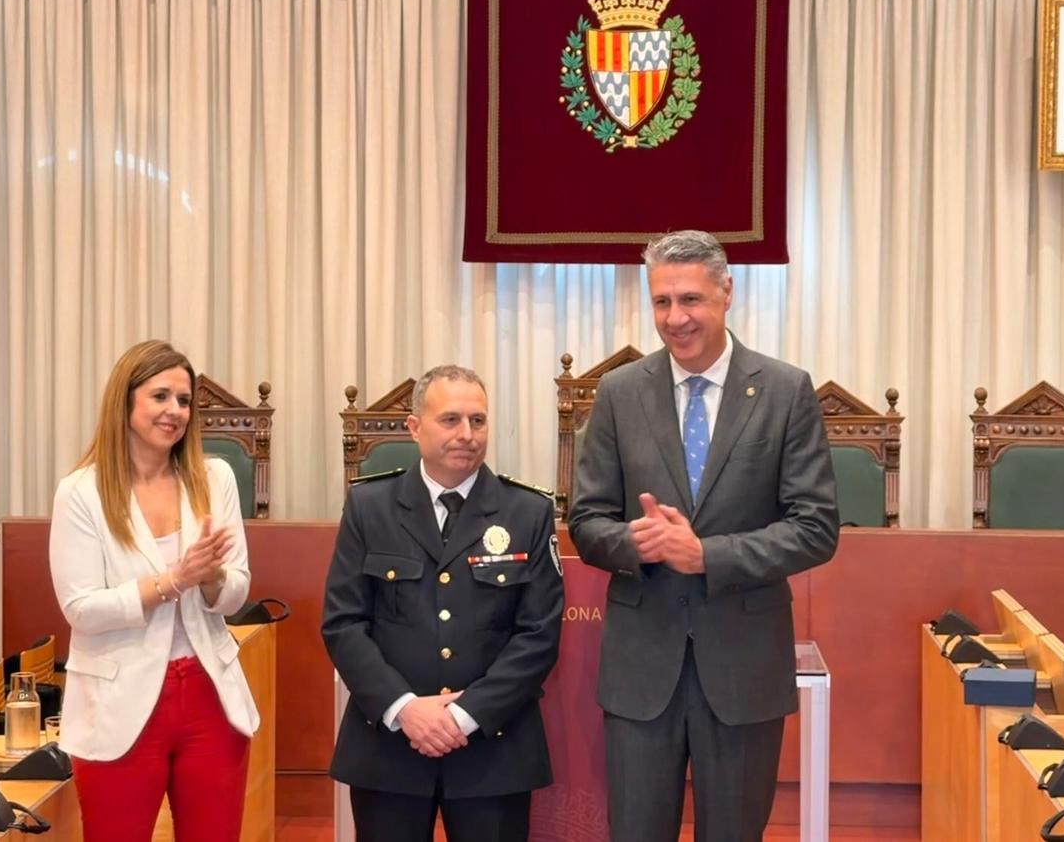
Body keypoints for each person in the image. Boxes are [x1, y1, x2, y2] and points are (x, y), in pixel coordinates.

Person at [569, 230, 839, 842]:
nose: (675, 318)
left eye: (690, 300)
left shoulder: (784, 390)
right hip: (642, 670)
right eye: (661, 302)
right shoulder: (619, 392)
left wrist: (705, 555)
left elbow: (816, 529)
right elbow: (586, 521)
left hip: (744, 670)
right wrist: (637, 544)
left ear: (727, 293)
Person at [322, 365, 564, 842]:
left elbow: (539, 634)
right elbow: (343, 623)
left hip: (493, 749)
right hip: (389, 746)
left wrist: (462, 715)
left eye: (478, 421)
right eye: (450, 420)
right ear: (415, 428)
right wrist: (404, 709)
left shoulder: (528, 511)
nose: (467, 435)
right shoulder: (370, 506)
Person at [48, 340, 259, 841]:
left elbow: (238, 593)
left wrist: (210, 579)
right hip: (118, 700)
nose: (175, 412)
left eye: (184, 401)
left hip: (210, 696)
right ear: (125, 401)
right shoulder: (81, 491)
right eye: (160, 396)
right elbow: (81, 608)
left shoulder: (215, 477)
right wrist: (171, 582)